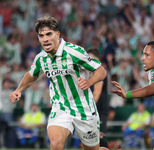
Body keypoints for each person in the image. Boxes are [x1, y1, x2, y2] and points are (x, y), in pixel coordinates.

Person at [9, 16, 107, 150]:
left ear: (57, 34)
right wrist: (18, 90)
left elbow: (101, 71)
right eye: (41, 35)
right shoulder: (41, 58)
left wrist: (89, 82)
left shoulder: (74, 52)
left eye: (49, 34)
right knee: (55, 144)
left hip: (83, 108)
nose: (45, 39)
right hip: (60, 107)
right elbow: (31, 76)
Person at [87, 48, 109, 149]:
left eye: (90, 57)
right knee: (93, 138)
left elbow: (97, 92)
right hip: (93, 107)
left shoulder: (100, 71)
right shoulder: (89, 72)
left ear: (97, 58)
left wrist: (89, 108)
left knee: (98, 137)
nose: (88, 60)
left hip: (98, 107)